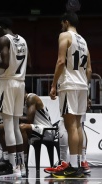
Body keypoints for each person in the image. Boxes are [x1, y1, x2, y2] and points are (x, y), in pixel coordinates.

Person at [49, 12, 92, 178]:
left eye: (62, 23)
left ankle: (73, 166)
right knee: (79, 125)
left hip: (69, 84)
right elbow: (89, 69)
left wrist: (53, 85)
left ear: (66, 22)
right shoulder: (84, 41)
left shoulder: (65, 35)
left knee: (70, 126)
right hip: (82, 85)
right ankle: (80, 162)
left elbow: (60, 61)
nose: (61, 26)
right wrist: (86, 88)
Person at [0, 18, 31, 178]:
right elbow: (29, 63)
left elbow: (5, 63)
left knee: (8, 127)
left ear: (1, 27)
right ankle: (21, 166)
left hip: (7, 82)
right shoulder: (23, 40)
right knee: (15, 126)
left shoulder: (3, 39)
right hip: (20, 83)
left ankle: (14, 168)